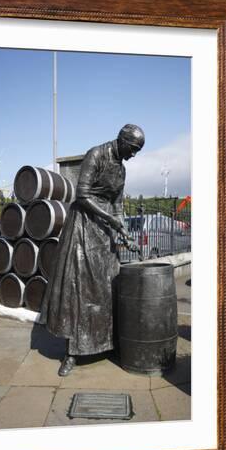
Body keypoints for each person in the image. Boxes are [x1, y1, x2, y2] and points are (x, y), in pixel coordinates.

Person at [39, 124, 145, 376]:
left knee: (108, 285)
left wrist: (123, 230)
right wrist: (111, 219)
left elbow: (117, 203)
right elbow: (82, 195)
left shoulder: (121, 169)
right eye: (133, 149)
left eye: (137, 151)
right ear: (122, 141)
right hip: (83, 225)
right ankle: (72, 352)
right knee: (80, 287)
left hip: (104, 228)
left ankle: (106, 343)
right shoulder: (96, 154)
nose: (133, 155)